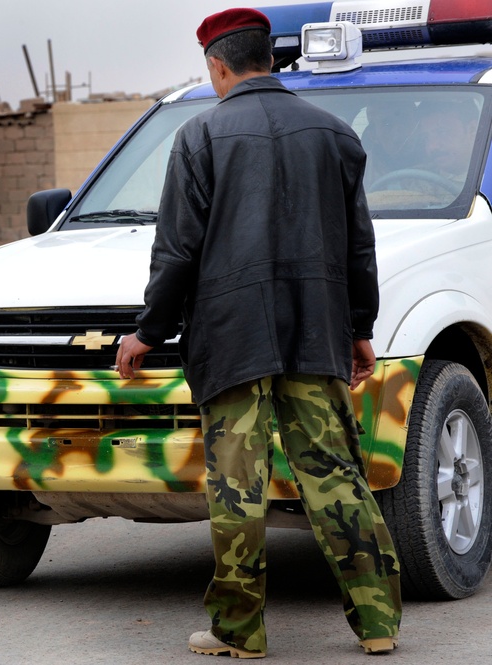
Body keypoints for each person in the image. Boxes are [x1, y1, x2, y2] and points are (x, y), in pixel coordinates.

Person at [114, 8, 401, 658]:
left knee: (237, 486)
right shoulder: (335, 136)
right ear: (268, 60)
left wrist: (147, 332)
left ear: (218, 66)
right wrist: (361, 328)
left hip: (232, 338)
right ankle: (379, 620)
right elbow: (361, 247)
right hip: (316, 332)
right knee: (334, 476)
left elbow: (177, 252)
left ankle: (239, 630)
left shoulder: (200, 137)